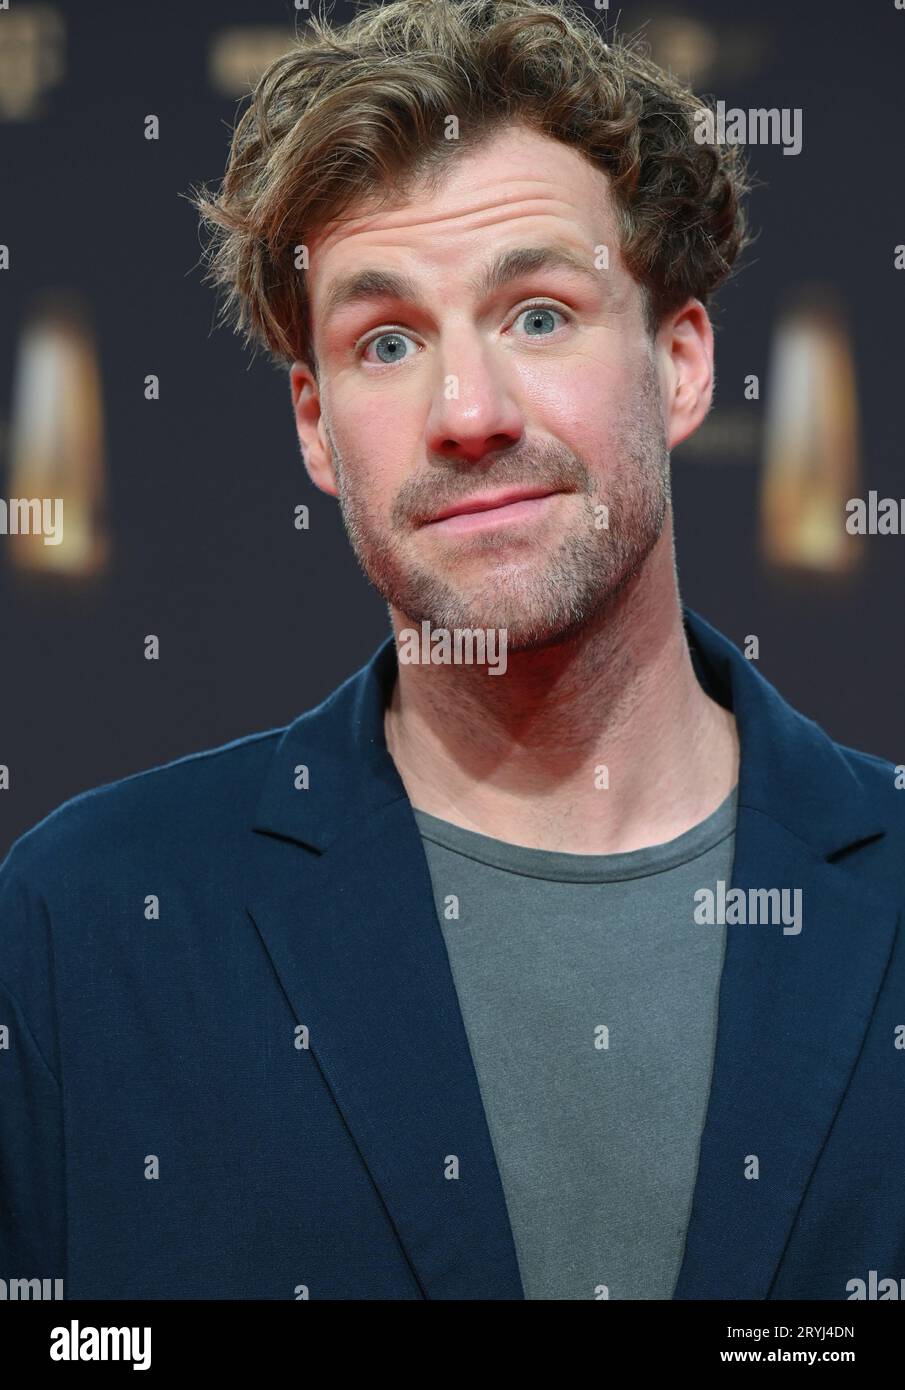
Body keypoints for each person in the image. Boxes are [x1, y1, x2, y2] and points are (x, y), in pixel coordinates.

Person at [1, 0, 902, 1301]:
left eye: (537, 314)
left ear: (682, 361)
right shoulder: (84, 925)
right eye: (386, 343)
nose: (467, 414)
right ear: (314, 425)